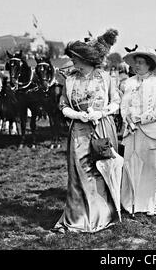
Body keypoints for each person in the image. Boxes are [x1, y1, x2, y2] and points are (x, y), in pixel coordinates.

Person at [52, 29, 121, 234]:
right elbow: (62, 105)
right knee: (79, 173)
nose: (72, 61)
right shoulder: (70, 79)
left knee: (101, 169)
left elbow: (116, 102)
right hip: (79, 131)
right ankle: (78, 217)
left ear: (86, 59)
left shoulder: (105, 77)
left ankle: (102, 215)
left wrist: (102, 113)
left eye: (75, 58)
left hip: (102, 128)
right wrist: (77, 115)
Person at [120, 47, 156, 217]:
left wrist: (143, 118)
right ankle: (132, 203)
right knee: (131, 165)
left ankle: (153, 206)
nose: (137, 66)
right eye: (135, 63)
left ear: (149, 65)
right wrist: (128, 118)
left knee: (152, 168)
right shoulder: (129, 82)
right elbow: (124, 107)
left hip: (150, 131)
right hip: (132, 132)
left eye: (141, 63)